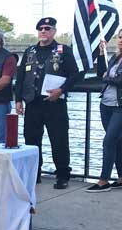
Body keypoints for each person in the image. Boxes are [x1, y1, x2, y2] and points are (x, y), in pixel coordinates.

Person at [14, 17, 81, 189]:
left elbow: (75, 75)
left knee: (59, 140)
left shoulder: (63, 50)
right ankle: (34, 173)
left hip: (55, 103)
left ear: (54, 31)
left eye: (47, 28)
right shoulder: (29, 51)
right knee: (31, 140)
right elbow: (20, 76)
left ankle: (62, 175)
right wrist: (18, 100)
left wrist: (62, 90)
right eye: (40, 28)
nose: (43, 31)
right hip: (33, 103)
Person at [85, 27, 122, 192]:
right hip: (106, 104)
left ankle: (103, 181)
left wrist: (107, 78)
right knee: (116, 141)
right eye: (119, 37)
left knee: (109, 140)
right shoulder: (116, 57)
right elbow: (101, 73)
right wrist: (102, 54)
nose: (121, 40)